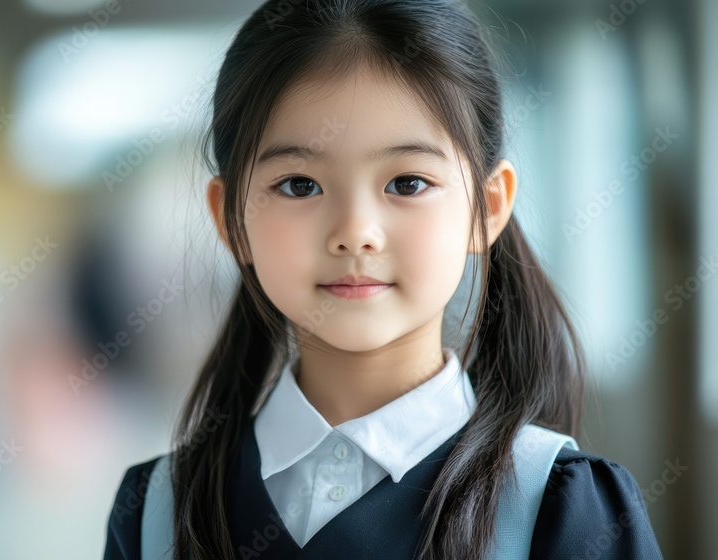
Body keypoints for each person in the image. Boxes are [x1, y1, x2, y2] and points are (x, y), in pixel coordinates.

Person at [104, 0, 664, 558]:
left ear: (487, 208)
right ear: (232, 220)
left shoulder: (560, 509)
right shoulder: (158, 515)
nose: (355, 234)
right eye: (300, 185)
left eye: (408, 183)